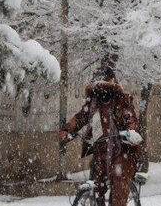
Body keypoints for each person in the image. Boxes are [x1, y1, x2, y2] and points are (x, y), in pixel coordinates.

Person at [58, 66, 143, 206]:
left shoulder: (122, 101)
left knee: (119, 179)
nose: (102, 90)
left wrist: (130, 132)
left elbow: (131, 120)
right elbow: (80, 118)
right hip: (101, 151)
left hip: (122, 151)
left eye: (104, 86)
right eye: (98, 87)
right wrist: (67, 130)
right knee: (97, 186)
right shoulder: (93, 103)